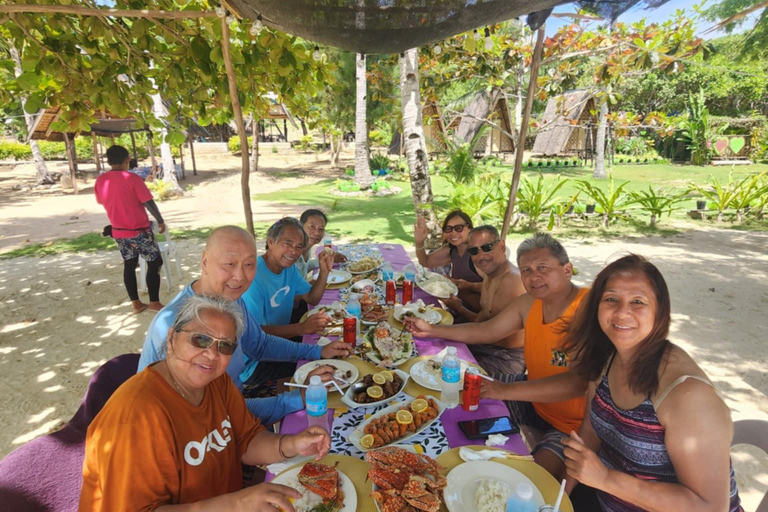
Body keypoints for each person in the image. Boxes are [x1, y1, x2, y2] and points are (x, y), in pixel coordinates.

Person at [80, 294, 331, 511]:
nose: (212, 354)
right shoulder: (133, 418)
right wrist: (236, 505)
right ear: (171, 338)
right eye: (200, 339)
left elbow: (245, 439)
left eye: (225, 346)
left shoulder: (216, 383)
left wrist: (294, 443)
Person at [560, 254, 742, 512]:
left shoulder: (687, 395)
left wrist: (605, 478)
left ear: (659, 311)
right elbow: (589, 434)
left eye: (638, 302)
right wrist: (558, 497)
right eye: (611, 299)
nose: (622, 312)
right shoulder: (607, 360)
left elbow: (710, 507)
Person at [405, 232, 588, 480]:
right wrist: (432, 330)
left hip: (572, 426)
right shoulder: (529, 302)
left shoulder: (587, 309)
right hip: (533, 395)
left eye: (543, 267)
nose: (534, 277)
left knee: (531, 481)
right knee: (455, 388)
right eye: (527, 270)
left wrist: (504, 390)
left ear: (567, 270)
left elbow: (578, 383)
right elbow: (487, 330)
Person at [137, 225, 350, 426]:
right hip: (203, 437)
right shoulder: (177, 326)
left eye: (249, 264)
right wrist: (296, 399)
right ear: (204, 262)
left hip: (232, 410)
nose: (239, 276)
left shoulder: (230, 299)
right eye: (229, 264)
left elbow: (259, 344)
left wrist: (317, 350)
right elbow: (213, 416)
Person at [442, 225, 527, 375]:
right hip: (486, 344)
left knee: (448, 373)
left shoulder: (512, 281)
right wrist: (470, 286)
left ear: (501, 246)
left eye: (487, 247)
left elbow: (491, 331)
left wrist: (460, 308)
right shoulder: (492, 273)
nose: (481, 255)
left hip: (506, 357)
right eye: (474, 251)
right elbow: (489, 300)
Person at [94, 145, 165, 314]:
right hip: (139, 230)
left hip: (119, 231)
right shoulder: (132, 179)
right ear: (127, 159)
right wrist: (160, 220)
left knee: (129, 265)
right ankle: (154, 302)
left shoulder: (101, 180)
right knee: (154, 262)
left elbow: (102, 201)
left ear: (109, 161)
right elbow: (148, 202)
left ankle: (136, 303)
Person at [241, 217, 335, 340]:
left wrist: (324, 272)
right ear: (271, 243)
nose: (293, 252)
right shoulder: (253, 278)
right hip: (259, 353)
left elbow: (312, 298)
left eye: (298, 247)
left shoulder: (289, 269)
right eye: (288, 244)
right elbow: (256, 333)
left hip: (282, 339)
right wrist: (301, 328)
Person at [414, 210, 482, 313]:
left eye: (458, 228)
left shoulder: (476, 253)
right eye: (448, 229)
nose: (453, 233)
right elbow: (425, 261)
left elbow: (496, 285)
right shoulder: (453, 249)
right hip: (458, 308)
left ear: (469, 228)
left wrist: (470, 285)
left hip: (477, 314)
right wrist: (419, 242)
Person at [296, 209, 347, 278]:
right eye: (312, 226)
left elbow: (304, 268)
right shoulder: (294, 253)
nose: (317, 233)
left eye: (321, 229)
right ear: (301, 226)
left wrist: (325, 260)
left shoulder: (307, 249)